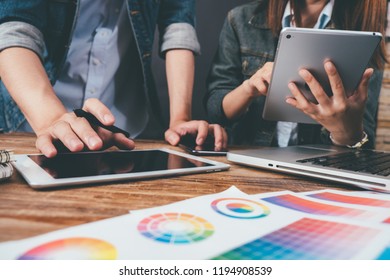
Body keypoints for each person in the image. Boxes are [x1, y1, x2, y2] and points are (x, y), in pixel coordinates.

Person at [0, 0, 227, 158]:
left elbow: (178, 27)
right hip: (30, 125)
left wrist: (179, 119)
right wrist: (51, 119)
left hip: (126, 133)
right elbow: (14, 28)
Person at [205, 0, 387, 149]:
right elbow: (216, 113)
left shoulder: (361, 34)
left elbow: (363, 140)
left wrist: (343, 133)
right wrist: (248, 88)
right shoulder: (241, 20)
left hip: (317, 170)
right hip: (248, 161)